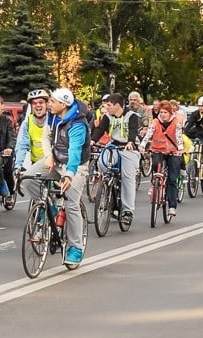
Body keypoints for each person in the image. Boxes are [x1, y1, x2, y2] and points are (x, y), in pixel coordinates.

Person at [21, 88, 90, 265]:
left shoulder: (77, 125)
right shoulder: (53, 116)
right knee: (29, 178)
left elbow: (75, 151)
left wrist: (68, 175)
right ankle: (49, 207)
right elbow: (46, 137)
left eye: (52, 101)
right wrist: (49, 156)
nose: (48, 104)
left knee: (71, 202)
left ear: (63, 104)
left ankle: (75, 248)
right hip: (55, 161)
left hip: (75, 166)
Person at [90, 92, 140, 225]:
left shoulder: (132, 116)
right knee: (102, 163)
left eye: (109, 105)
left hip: (129, 148)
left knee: (127, 177)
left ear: (118, 106)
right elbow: (100, 129)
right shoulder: (107, 117)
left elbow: (133, 130)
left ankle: (128, 211)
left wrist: (130, 142)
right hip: (113, 147)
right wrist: (92, 141)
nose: (107, 108)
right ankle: (108, 188)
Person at [139, 100, 183, 218]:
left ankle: (172, 207)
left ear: (170, 113)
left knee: (172, 179)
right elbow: (149, 134)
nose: (162, 114)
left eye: (165, 112)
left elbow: (178, 137)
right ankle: (155, 184)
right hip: (157, 149)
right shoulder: (155, 122)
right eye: (161, 112)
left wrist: (180, 149)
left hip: (173, 151)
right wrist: (142, 145)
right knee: (156, 167)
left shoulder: (176, 122)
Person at [14, 89, 50, 172]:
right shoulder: (27, 122)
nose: (38, 105)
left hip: (52, 164)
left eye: (41, 102)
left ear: (46, 104)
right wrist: (18, 165)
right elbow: (22, 145)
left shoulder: (53, 121)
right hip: (36, 164)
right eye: (34, 103)